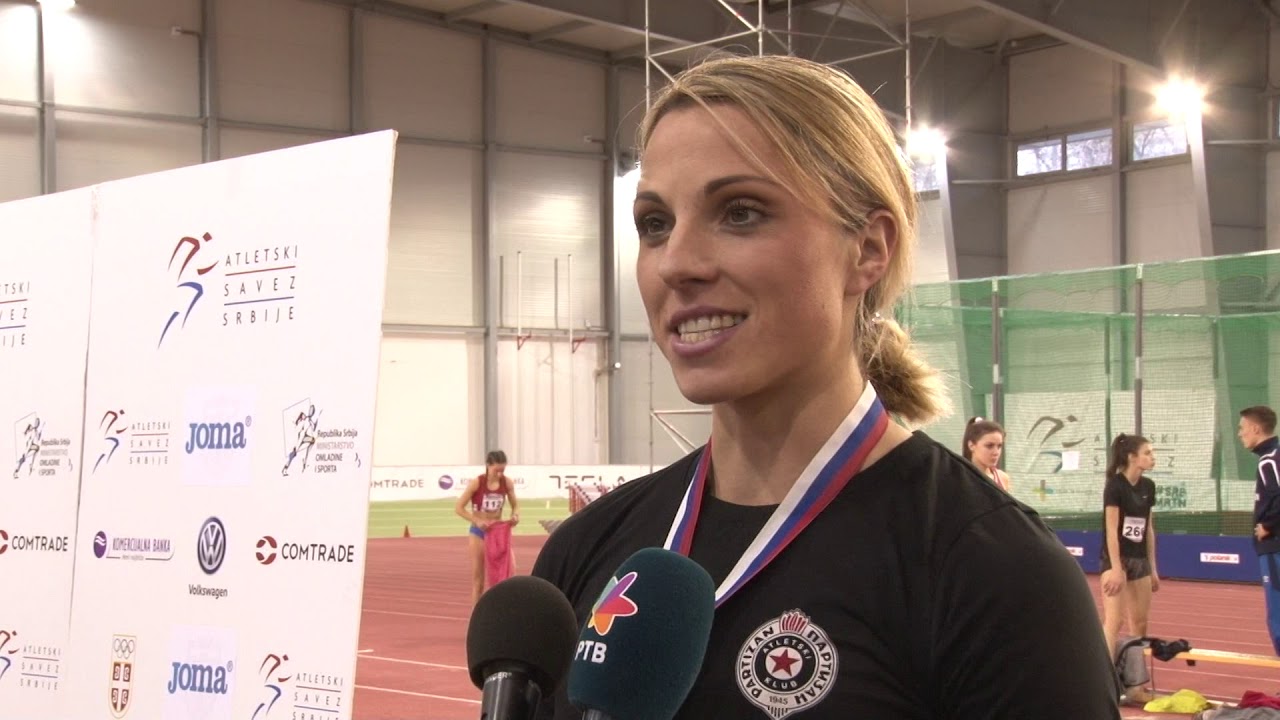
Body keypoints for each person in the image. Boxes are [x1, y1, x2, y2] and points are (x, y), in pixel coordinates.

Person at [531, 54, 1120, 718]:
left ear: (868, 249)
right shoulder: (586, 550)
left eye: (740, 213)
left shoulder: (991, 572)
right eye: (655, 224)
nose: (677, 264)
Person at [1097, 432, 1159, 702]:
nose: (1153, 457)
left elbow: (1148, 529)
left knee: (1140, 623)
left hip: (1140, 560)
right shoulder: (1115, 486)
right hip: (1116, 559)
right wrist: (1115, 568)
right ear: (1132, 457)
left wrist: (1153, 567)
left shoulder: (1148, 486)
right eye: (1148, 453)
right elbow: (1111, 530)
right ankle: (1102, 685)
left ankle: (1135, 686)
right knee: (1114, 621)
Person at [1239, 405, 1280, 655]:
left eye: (1242, 428)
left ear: (1255, 429)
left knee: (1277, 612)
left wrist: (1268, 525)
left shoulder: (1269, 461)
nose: (1239, 434)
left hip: (1275, 546)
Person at [454, 450, 519, 604]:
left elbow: (515, 505)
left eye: (502, 470)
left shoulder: (507, 483)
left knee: (510, 573)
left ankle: (504, 608)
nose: (499, 474)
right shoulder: (477, 483)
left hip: (498, 533)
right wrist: (476, 520)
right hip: (479, 533)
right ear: (488, 466)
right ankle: (476, 614)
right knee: (479, 579)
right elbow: (459, 508)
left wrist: (515, 516)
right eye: (496, 470)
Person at [962, 416, 1011, 492]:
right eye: (989, 446)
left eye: (999, 446)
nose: (996, 452)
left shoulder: (1003, 478)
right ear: (971, 445)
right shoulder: (959, 477)